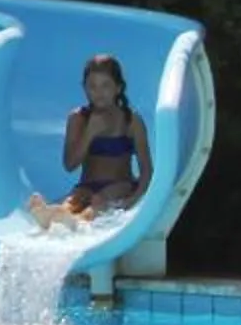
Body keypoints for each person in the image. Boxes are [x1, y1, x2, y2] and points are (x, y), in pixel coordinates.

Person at [28, 53, 150, 225]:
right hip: (86, 186)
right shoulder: (78, 118)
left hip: (121, 185)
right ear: (84, 88)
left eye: (105, 86)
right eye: (92, 86)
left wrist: (134, 199)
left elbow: (146, 170)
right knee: (74, 200)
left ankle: (76, 221)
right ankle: (56, 215)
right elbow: (70, 165)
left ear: (119, 88)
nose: (98, 93)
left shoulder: (131, 121)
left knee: (100, 200)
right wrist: (89, 133)